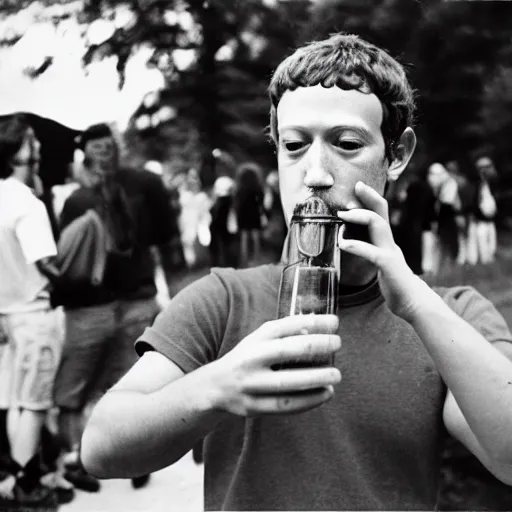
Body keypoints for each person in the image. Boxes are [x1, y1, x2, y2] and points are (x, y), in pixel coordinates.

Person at [81, 34, 512, 511]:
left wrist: (415, 303)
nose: (316, 174)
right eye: (294, 145)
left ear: (397, 154)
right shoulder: (224, 300)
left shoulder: (453, 314)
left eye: (347, 144)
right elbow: (100, 448)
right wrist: (215, 389)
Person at [52, 123, 176, 492]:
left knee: (91, 387)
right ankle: (107, 457)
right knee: (123, 385)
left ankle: (100, 458)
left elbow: (66, 260)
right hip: (109, 303)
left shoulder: (128, 189)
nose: (103, 156)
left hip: (119, 302)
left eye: (106, 148)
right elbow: (166, 240)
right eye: (99, 150)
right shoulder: (82, 199)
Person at [0, 115, 63, 508]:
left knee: (16, 400)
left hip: (7, 315)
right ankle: (27, 484)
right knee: (36, 403)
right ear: (18, 148)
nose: (37, 145)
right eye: (31, 140)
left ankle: (15, 476)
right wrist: (73, 273)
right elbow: (45, 263)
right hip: (36, 315)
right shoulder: (27, 202)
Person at [233, 162, 266, 267]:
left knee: (244, 237)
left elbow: (236, 203)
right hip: (254, 213)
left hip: (243, 214)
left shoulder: (240, 189)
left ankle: (245, 259)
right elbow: (261, 201)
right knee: (255, 236)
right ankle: (256, 258)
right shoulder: (257, 188)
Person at [473, 156, 498, 264]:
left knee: (492, 247)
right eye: (488, 167)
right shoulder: (477, 184)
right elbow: (475, 203)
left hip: (490, 220)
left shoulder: (491, 184)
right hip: (481, 221)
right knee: (483, 247)